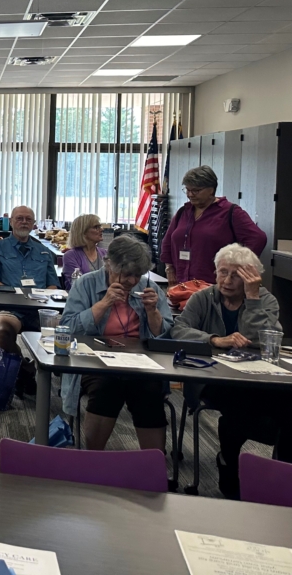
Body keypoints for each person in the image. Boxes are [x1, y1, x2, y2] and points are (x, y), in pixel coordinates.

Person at [172, 243, 292, 499]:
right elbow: (178, 330)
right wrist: (215, 340)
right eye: (222, 272)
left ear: (251, 278)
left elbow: (260, 339)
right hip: (211, 379)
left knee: (288, 406)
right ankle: (229, 464)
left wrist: (253, 299)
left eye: (236, 275)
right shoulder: (203, 298)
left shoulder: (264, 299)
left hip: (258, 379)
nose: (226, 280)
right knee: (238, 406)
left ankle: (283, 473)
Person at [61, 236, 173, 451]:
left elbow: (165, 336)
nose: (132, 281)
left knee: (149, 391)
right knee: (107, 387)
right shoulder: (86, 283)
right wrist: (104, 303)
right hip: (94, 360)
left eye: (137, 275)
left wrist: (153, 312)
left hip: (140, 361)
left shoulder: (149, 287)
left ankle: (153, 464)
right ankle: (94, 459)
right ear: (109, 264)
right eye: (126, 274)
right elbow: (68, 328)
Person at [0, 205, 60, 394]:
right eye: (19, 218)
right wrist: (19, 295)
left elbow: (53, 285)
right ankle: (26, 369)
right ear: (11, 222)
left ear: (34, 224)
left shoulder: (44, 252)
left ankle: (59, 378)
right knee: (2, 333)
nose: (24, 222)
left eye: (28, 219)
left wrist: (42, 299)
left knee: (64, 334)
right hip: (10, 308)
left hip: (39, 309)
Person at [160, 165, 266, 287]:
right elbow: (167, 242)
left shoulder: (230, 212)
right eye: (187, 190)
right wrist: (169, 268)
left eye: (196, 190)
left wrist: (238, 266)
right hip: (182, 282)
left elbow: (258, 238)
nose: (190, 194)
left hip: (213, 284)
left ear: (211, 189)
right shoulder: (184, 211)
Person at [62, 214, 107, 290]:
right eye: (96, 227)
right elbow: (77, 284)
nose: (101, 229)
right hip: (81, 300)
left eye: (100, 226)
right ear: (83, 232)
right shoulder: (70, 256)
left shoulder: (106, 253)